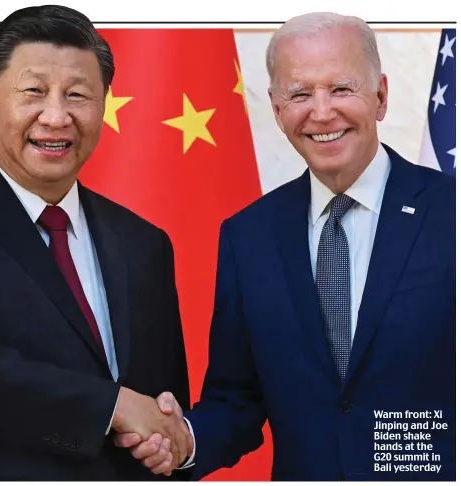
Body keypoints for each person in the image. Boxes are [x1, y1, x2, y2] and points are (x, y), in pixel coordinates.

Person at [117, 12, 455, 480]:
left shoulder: (449, 213)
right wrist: (184, 440)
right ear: (277, 111)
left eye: (341, 89)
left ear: (380, 95)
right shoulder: (248, 235)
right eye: (299, 94)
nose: (321, 112)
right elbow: (237, 398)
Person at [0, 5, 194, 480]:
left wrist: (173, 446)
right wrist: (112, 407)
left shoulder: (144, 243)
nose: (56, 116)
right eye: (34, 91)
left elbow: (162, 406)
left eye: (78, 94)